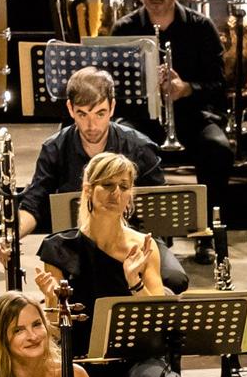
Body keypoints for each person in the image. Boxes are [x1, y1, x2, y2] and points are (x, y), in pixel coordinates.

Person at [12, 67, 189, 294]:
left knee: (173, 279)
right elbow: (33, 204)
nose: (91, 125)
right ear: (70, 109)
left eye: (100, 113)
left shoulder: (139, 147)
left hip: (132, 238)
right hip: (82, 242)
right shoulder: (54, 148)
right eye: (82, 114)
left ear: (112, 108)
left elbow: (160, 208)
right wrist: (11, 237)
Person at [36, 154, 172, 377]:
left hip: (136, 357)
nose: (116, 194)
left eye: (123, 186)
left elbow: (157, 319)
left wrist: (134, 282)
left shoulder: (144, 246)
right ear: (88, 190)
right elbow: (54, 331)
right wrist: (52, 299)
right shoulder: (57, 249)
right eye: (107, 185)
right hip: (82, 360)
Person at [112, 0, 236, 220]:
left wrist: (186, 88)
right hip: (142, 118)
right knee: (123, 146)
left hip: (192, 116)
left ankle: (209, 228)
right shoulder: (124, 29)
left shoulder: (201, 27)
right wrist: (146, 89)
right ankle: (137, 225)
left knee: (218, 150)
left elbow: (219, 86)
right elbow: (114, 91)